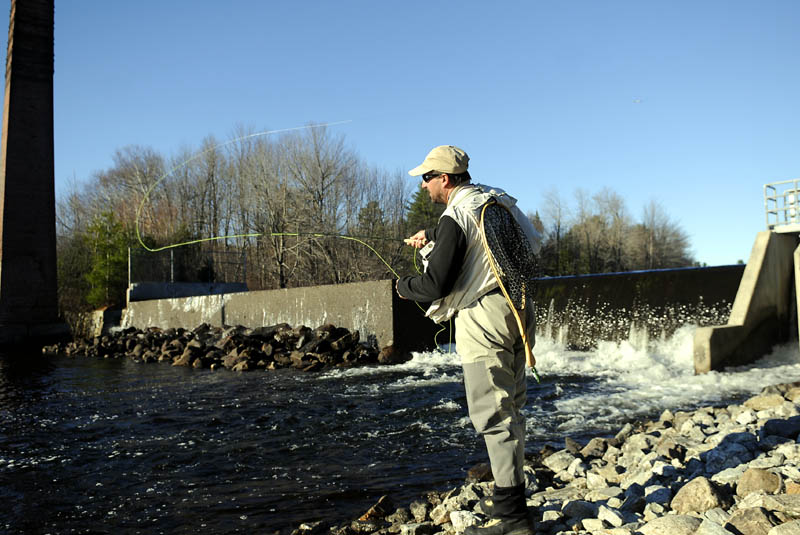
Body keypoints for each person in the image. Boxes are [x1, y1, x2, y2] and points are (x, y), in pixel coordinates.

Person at [396, 145, 541, 535]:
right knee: (511, 408)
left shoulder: (455, 215)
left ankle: (513, 521)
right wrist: (435, 240)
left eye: (427, 178)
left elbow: (435, 285)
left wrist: (403, 286)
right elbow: (531, 245)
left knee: (493, 414)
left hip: (485, 319)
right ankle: (512, 502)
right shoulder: (496, 200)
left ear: (444, 179)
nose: (424, 185)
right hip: (519, 308)